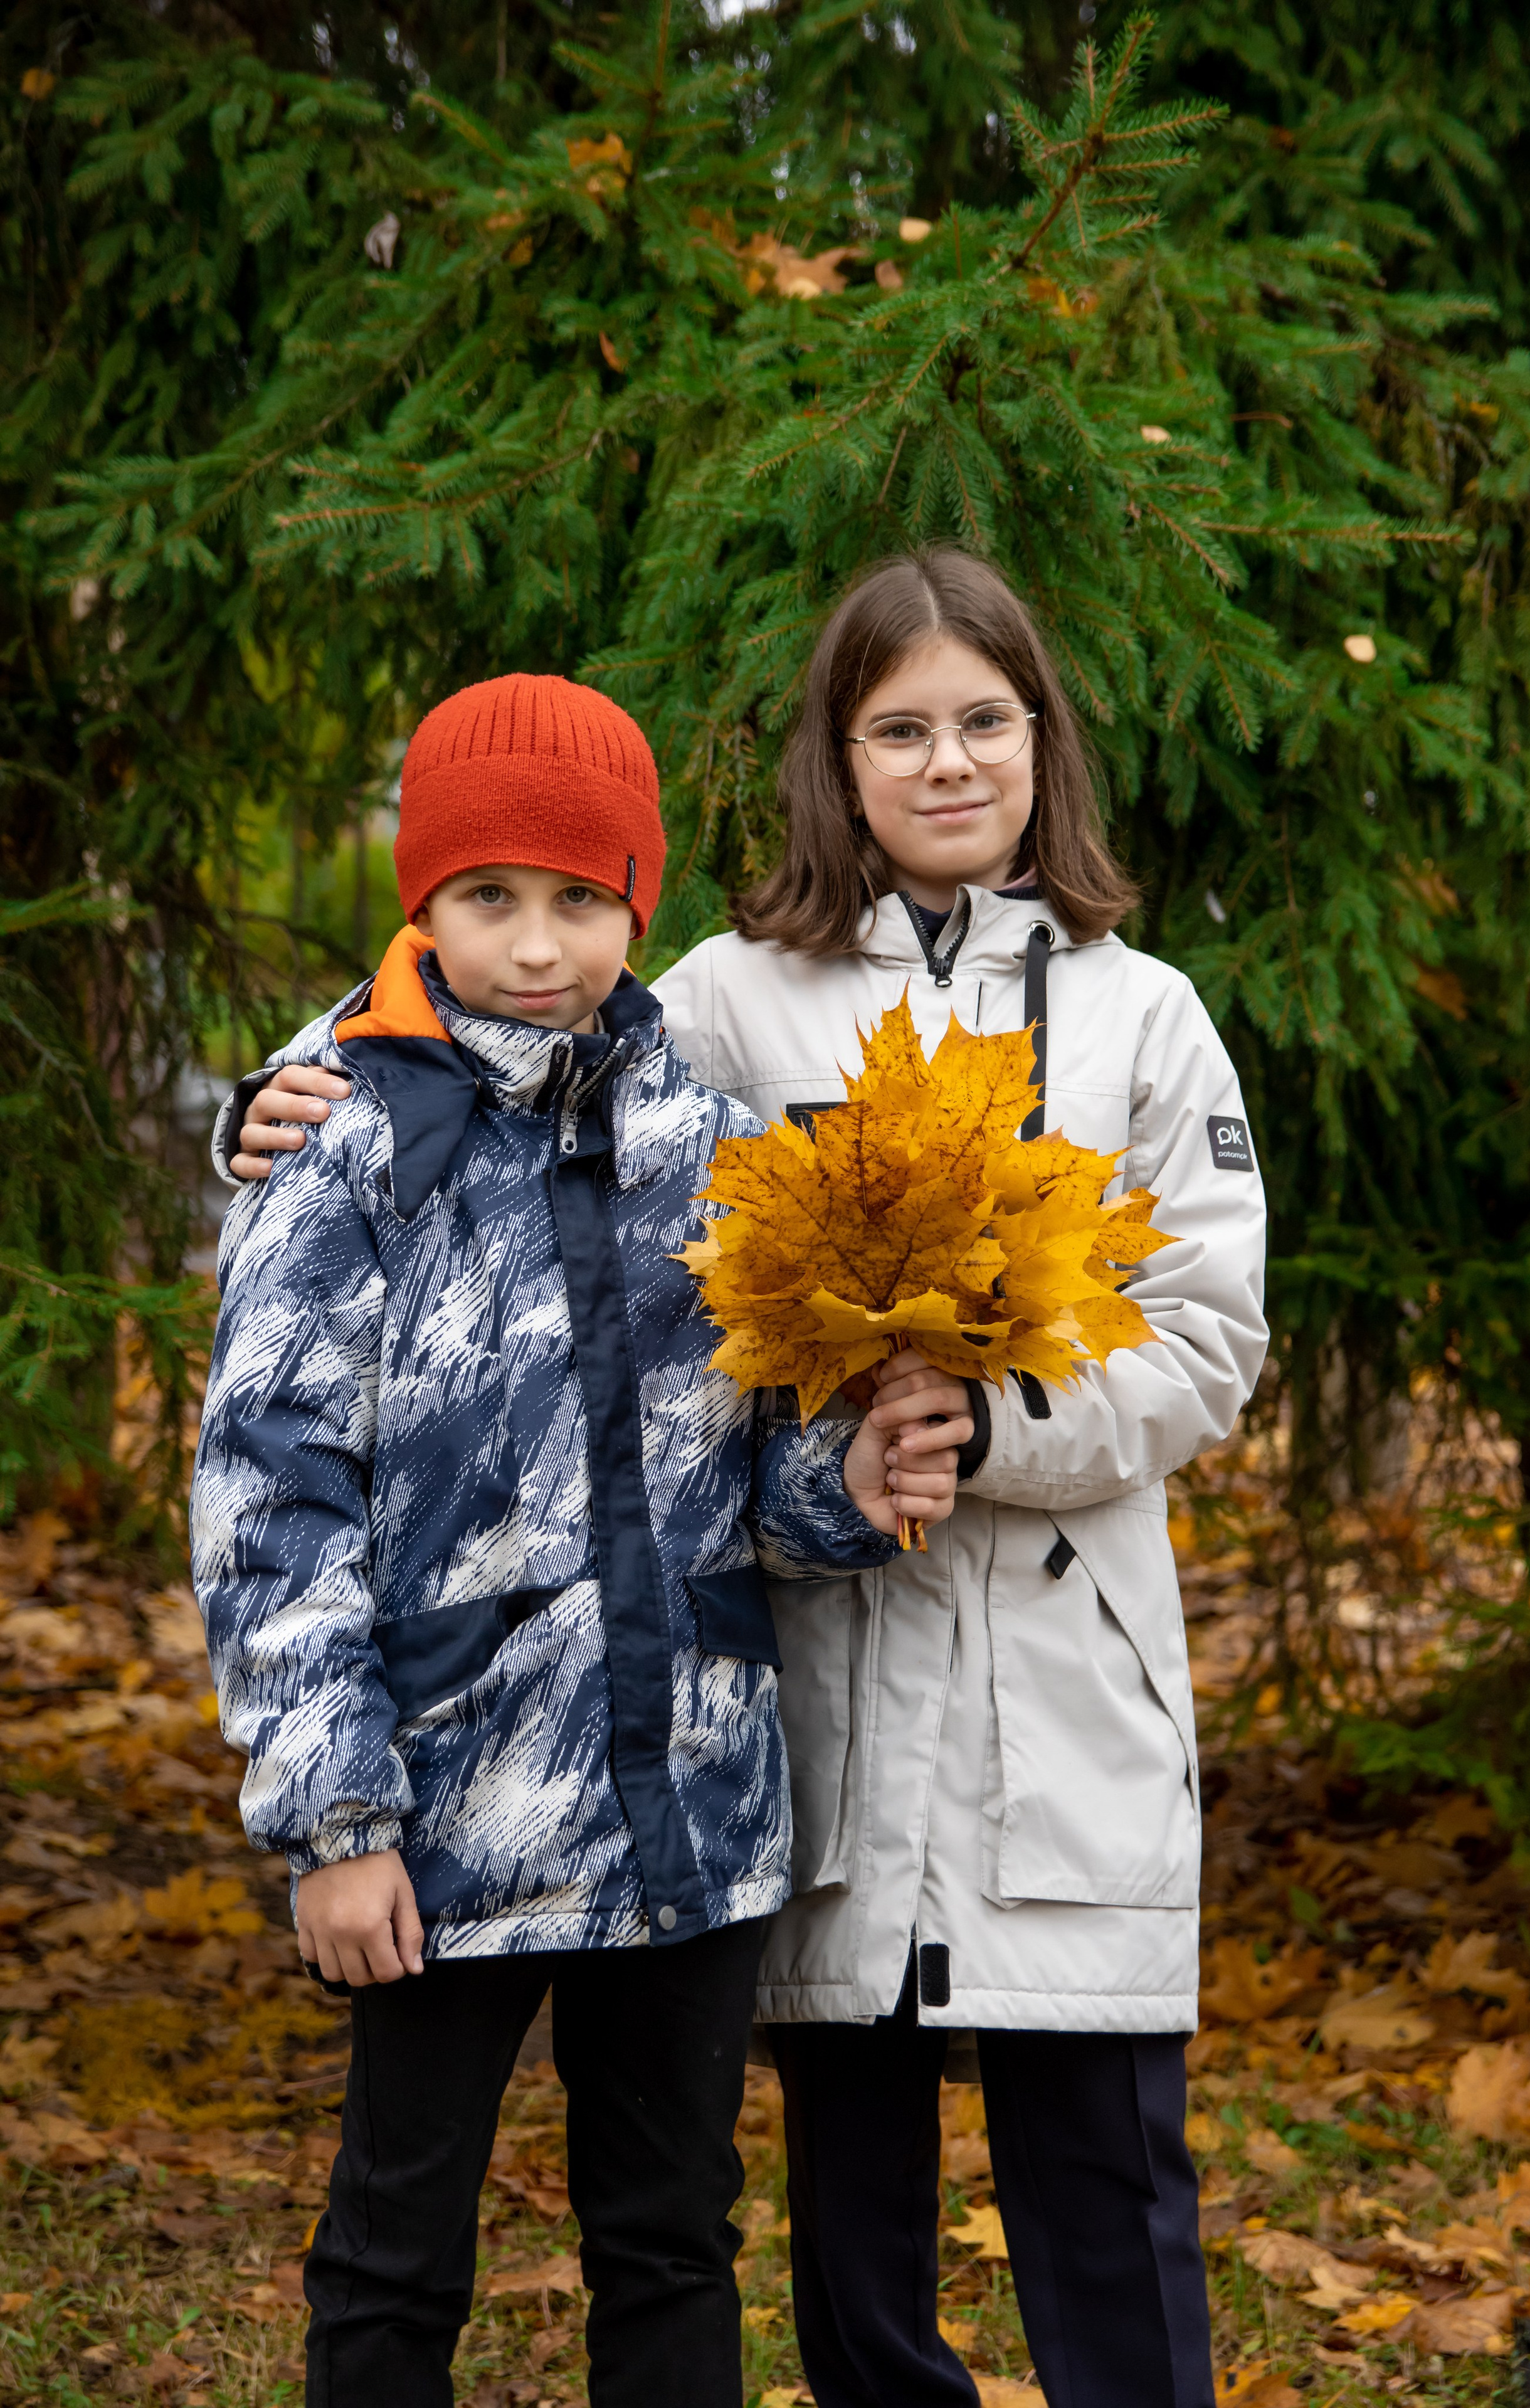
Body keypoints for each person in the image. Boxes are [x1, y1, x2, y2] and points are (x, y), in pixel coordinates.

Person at [226, 552, 1270, 2408]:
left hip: (991, 1697)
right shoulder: (730, 1008)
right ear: (836, 760)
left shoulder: (1141, 1016)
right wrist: (287, 1084)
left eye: (984, 721)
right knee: (813, 2213)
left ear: (1045, 740)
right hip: (736, 1717)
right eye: (898, 729)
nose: (946, 762)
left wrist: (950, 1438)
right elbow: (482, 1030)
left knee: (1080, 2195)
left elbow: (1198, 1336)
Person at [191, 669, 969, 2408]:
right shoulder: (342, 1137)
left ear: (638, 901)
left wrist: (842, 1495)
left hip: (681, 1799)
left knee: (674, 2232)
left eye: (579, 899)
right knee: (399, 2249)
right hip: (439, 1811)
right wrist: (334, 1820)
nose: (536, 945)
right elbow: (272, 1498)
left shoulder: (707, 1135)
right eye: (488, 899)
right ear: (424, 900)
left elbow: (744, 1469)